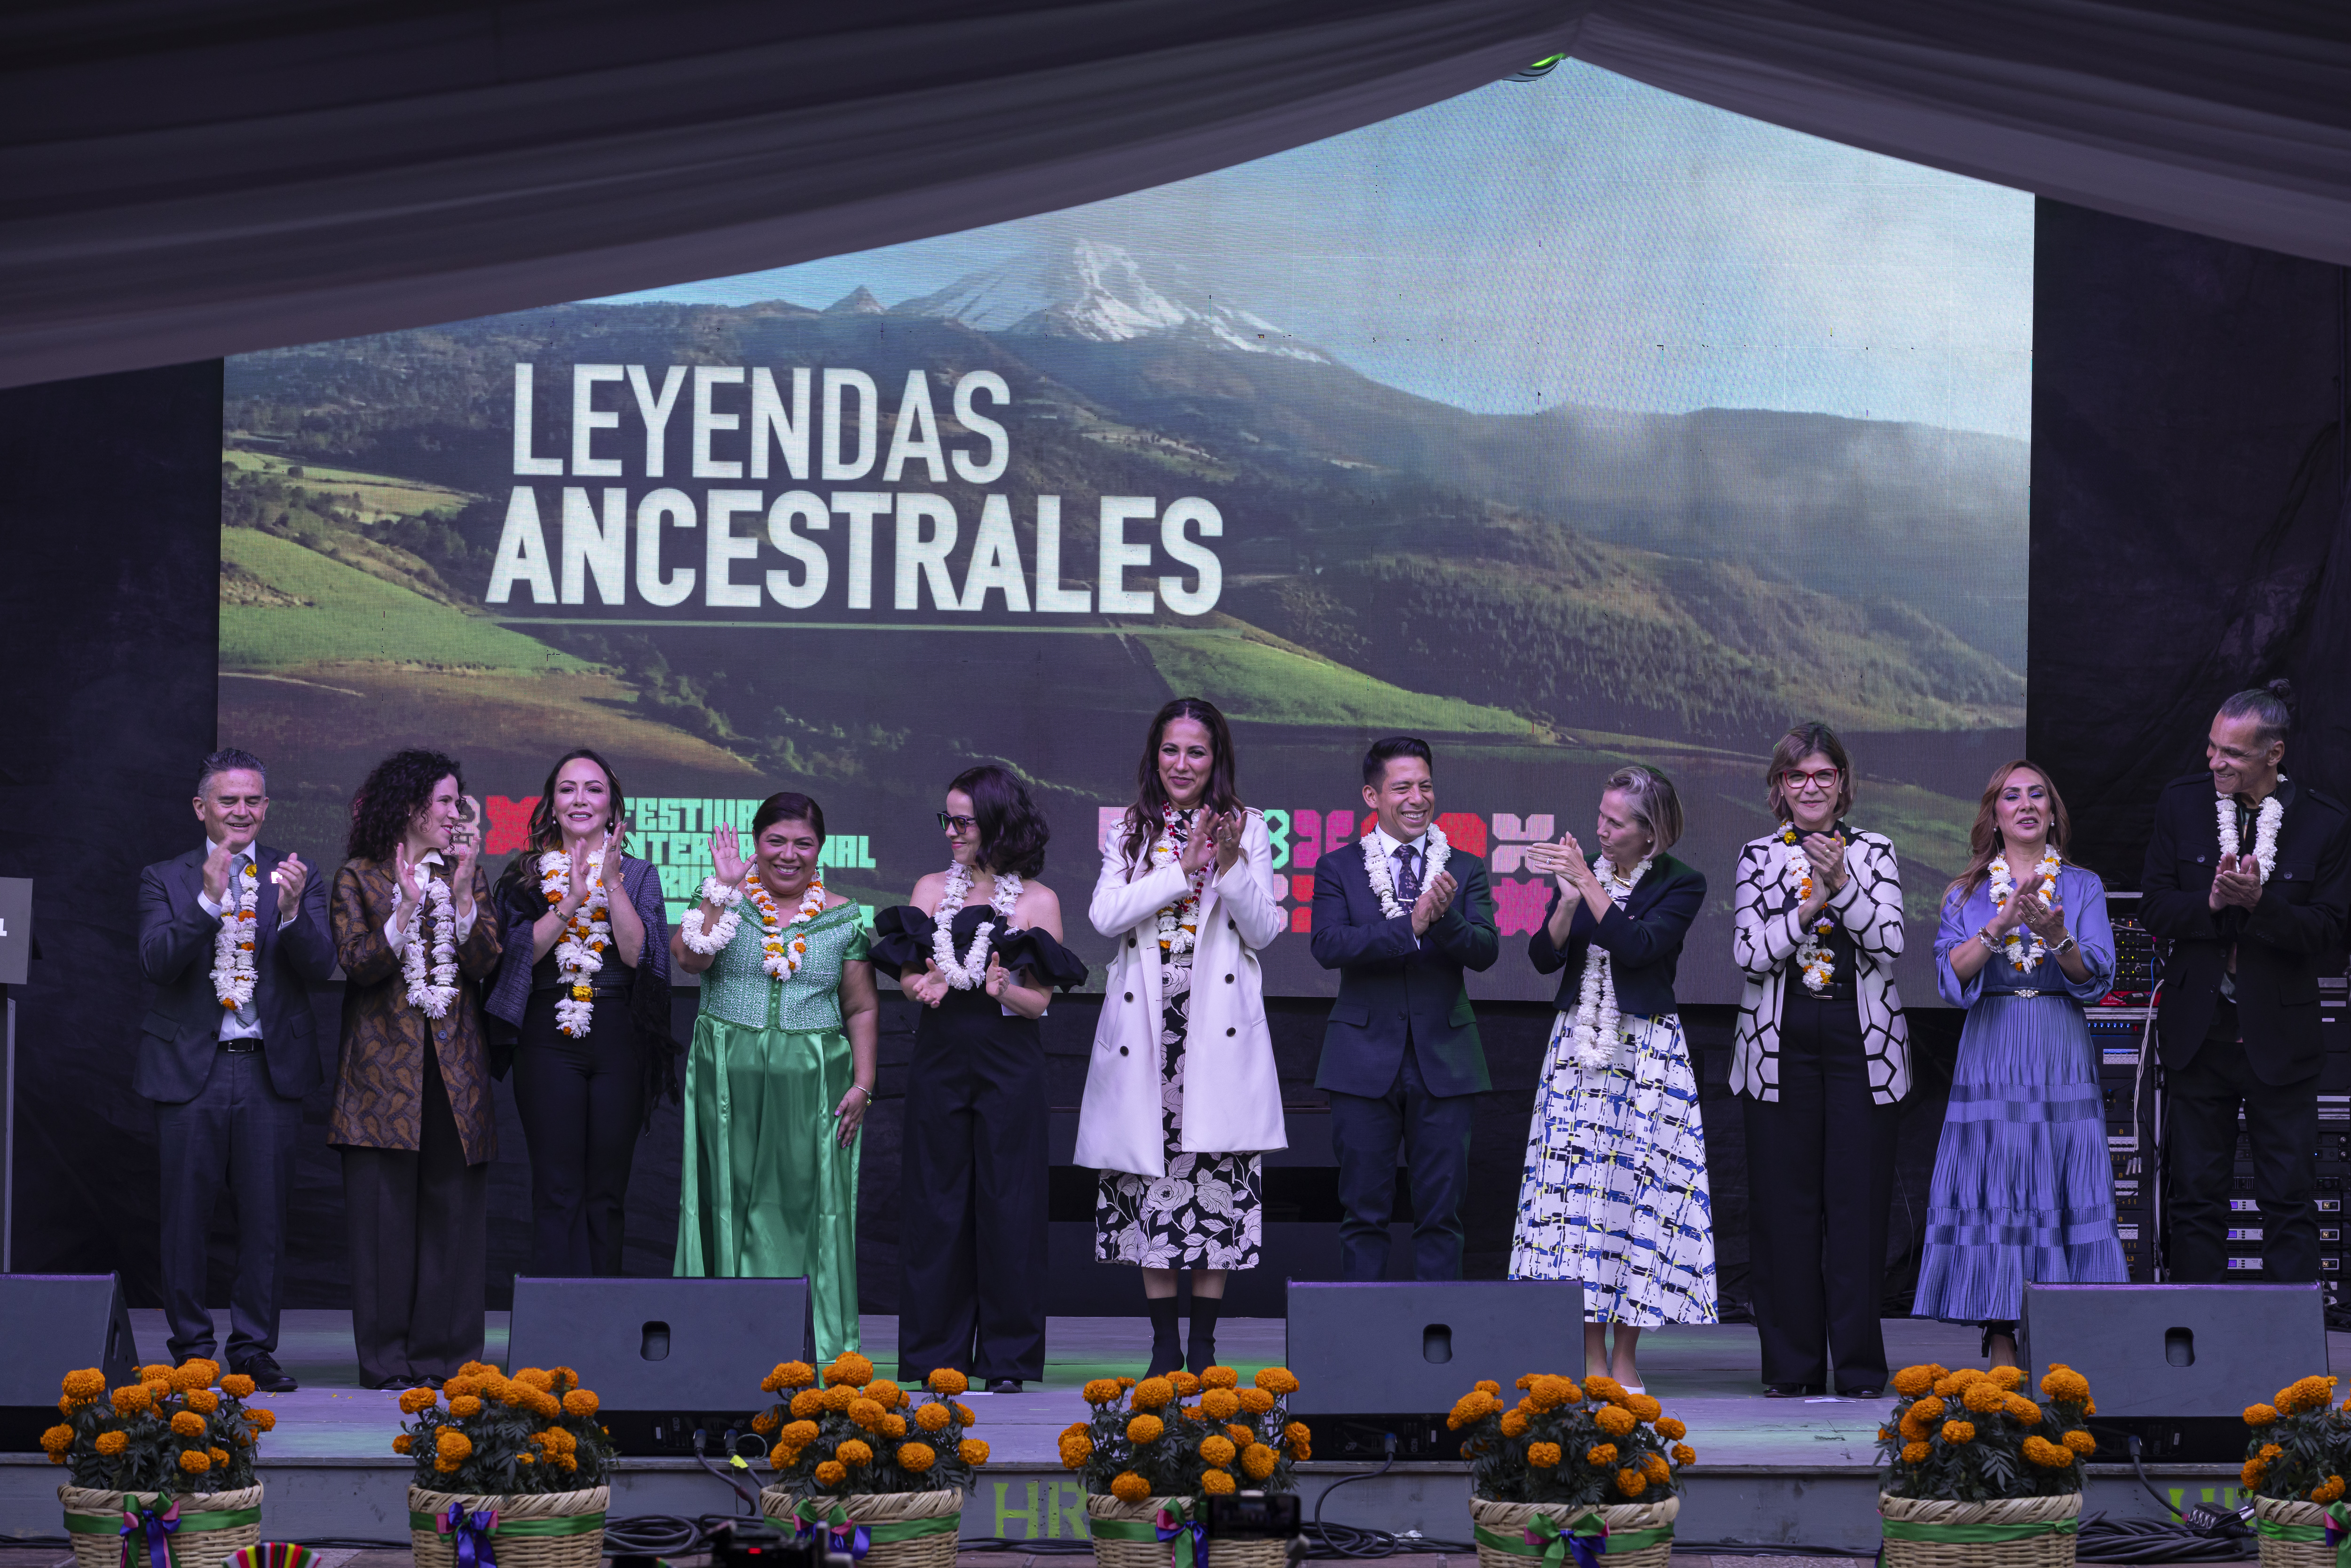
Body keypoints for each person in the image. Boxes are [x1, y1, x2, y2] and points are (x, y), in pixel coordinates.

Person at [1078, 698, 1286, 1377]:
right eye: (1171, 750)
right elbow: (1106, 914)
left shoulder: (1249, 826)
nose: (1182, 764)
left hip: (1214, 1028)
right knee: (1150, 1183)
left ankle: (1205, 1343)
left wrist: (1227, 867)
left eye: (1196, 752)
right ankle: (1164, 1343)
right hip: (1148, 1028)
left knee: (1215, 1180)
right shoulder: (1132, 827)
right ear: (1154, 754)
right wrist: (1178, 868)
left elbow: (1265, 929)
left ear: (1216, 757)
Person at [874, 764, 1084, 1393]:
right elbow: (908, 972)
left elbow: (1040, 1002)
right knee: (936, 1206)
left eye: (962, 820)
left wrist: (1002, 988)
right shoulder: (932, 888)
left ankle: (1008, 1359)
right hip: (941, 1062)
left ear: (996, 822)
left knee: (1009, 1206)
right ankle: (936, 1356)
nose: (951, 831)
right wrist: (923, 983)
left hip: (1008, 1066)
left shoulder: (1037, 900)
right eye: (947, 818)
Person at [133, 748, 333, 1393]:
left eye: (253, 800)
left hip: (267, 1071)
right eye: (229, 800)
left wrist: (297, 913)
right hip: (189, 1070)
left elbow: (320, 965)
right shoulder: (164, 876)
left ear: (267, 807)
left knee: (266, 1219)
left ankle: (253, 1348)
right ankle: (193, 1347)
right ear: (202, 807)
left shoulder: (294, 874)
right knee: (185, 1218)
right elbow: (157, 961)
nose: (242, 810)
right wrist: (208, 898)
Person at [1913, 760, 2124, 1367]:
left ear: (2053, 812)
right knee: (1999, 1180)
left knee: (2061, 1176)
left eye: (2038, 795)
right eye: (2012, 795)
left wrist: (2057, 936)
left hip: (2057, 1037)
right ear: (1994, 814)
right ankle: (2000, 1334)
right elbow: (1950, 975)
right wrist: (2000, 923)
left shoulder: (2081, 885)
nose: (2026, 804)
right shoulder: (1965, 891)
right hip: (1994, 1041)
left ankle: (2065, 1334)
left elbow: (2093, 977)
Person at [1513, 764, 1715, 1391]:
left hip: (1646, 1053)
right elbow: (1544, 956)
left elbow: (1637, 947)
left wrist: (1586, 886)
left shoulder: (1682, 883)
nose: (1600, 827)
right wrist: (1570, 900)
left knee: (1640, 1196)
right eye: (1599, 813)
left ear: (1650, 832)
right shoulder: (1587, 871)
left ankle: (1627, 1353)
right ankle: (1589, 1352)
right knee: (1580, 1201)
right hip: (1579, 1047)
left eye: (1616, 821)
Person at [2141, 682, 2351, 1284]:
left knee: (2288, 1200)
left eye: (2230, 753)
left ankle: (2290, 1358)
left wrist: (2262, 905)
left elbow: (2330, 932)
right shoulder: (2180, 803)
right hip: (2196, 1034)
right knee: (2195, 1200)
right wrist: (2209, 902)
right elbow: (2154, 905)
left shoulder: (2326, 821)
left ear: (2273, 754)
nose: (2213, 762)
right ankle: (2195, 1345)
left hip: (2280, 1040)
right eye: (2210, 748)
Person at [1729, 724, 1910, 1398]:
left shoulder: (1877, 850)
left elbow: (1889, 939)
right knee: (1784, 1210)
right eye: (1797, 776)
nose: (1811, 787)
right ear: (1779, 787)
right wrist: (1811, 901)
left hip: (1863, 1044)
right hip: (1779, 1046)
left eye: (1823, 775)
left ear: (1843, 784)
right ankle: (1792, 1367)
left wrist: (1845, 884)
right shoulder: (1756, 855)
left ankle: (1860, 1368)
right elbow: (1750, 956)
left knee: (1858, 1208)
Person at [670, 791, 878, 1363]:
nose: (789, 854)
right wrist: (721, 890)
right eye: (776, 841)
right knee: (726, 1205)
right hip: (726, 1080)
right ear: (756, 842)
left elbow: (860, 1008)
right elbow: (689, 961)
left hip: (813, 1084)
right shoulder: (721, 899)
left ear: (821, 848)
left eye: (803, 843)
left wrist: (863, 1083)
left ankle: (809, 1347)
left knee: (805, 1210)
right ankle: (720, 1345)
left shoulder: (843, 916)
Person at [328, 749, 503, 1390]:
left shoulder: (467, 872)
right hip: (380, 1075)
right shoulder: (359, 875)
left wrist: (461, 894)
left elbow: (486, 960)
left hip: (454, 1071)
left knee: (452, 1213)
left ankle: (447, 1356)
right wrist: (403, 911)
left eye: (460, 801)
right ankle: (385, 1359)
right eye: (447, 801)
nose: (457, 812)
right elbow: (358, 962)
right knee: (382, 1218)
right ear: (411, 807)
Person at [1309, 736, 1499, 1282]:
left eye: (1425, 786)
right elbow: (1328, 944)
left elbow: (1485, 951)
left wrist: (1444, 918)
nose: (1417, 798)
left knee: (1441, 1215)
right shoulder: (1337, 866)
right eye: (1402, 787)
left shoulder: (1462, 866)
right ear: (1372, 795)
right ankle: (1361, 1352)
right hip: (1360, 1060)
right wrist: (1409, 926)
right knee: (1363, 1212)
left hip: (1446, 1058)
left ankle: (1437, 1352)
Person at [485, 749, 675, 1277]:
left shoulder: (638, 874)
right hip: (547, 1036)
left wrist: (610, 882)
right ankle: (553, 1331)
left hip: (619, 1034)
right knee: (556, 1187)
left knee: (606, 1191)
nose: (580, 799)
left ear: (613, 806)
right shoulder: (522, 874)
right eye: (568, 789)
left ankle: (602, 1326)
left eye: (593, 789)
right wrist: (570, 898)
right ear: (550, 803)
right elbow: (520, 954)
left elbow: (639, 955)